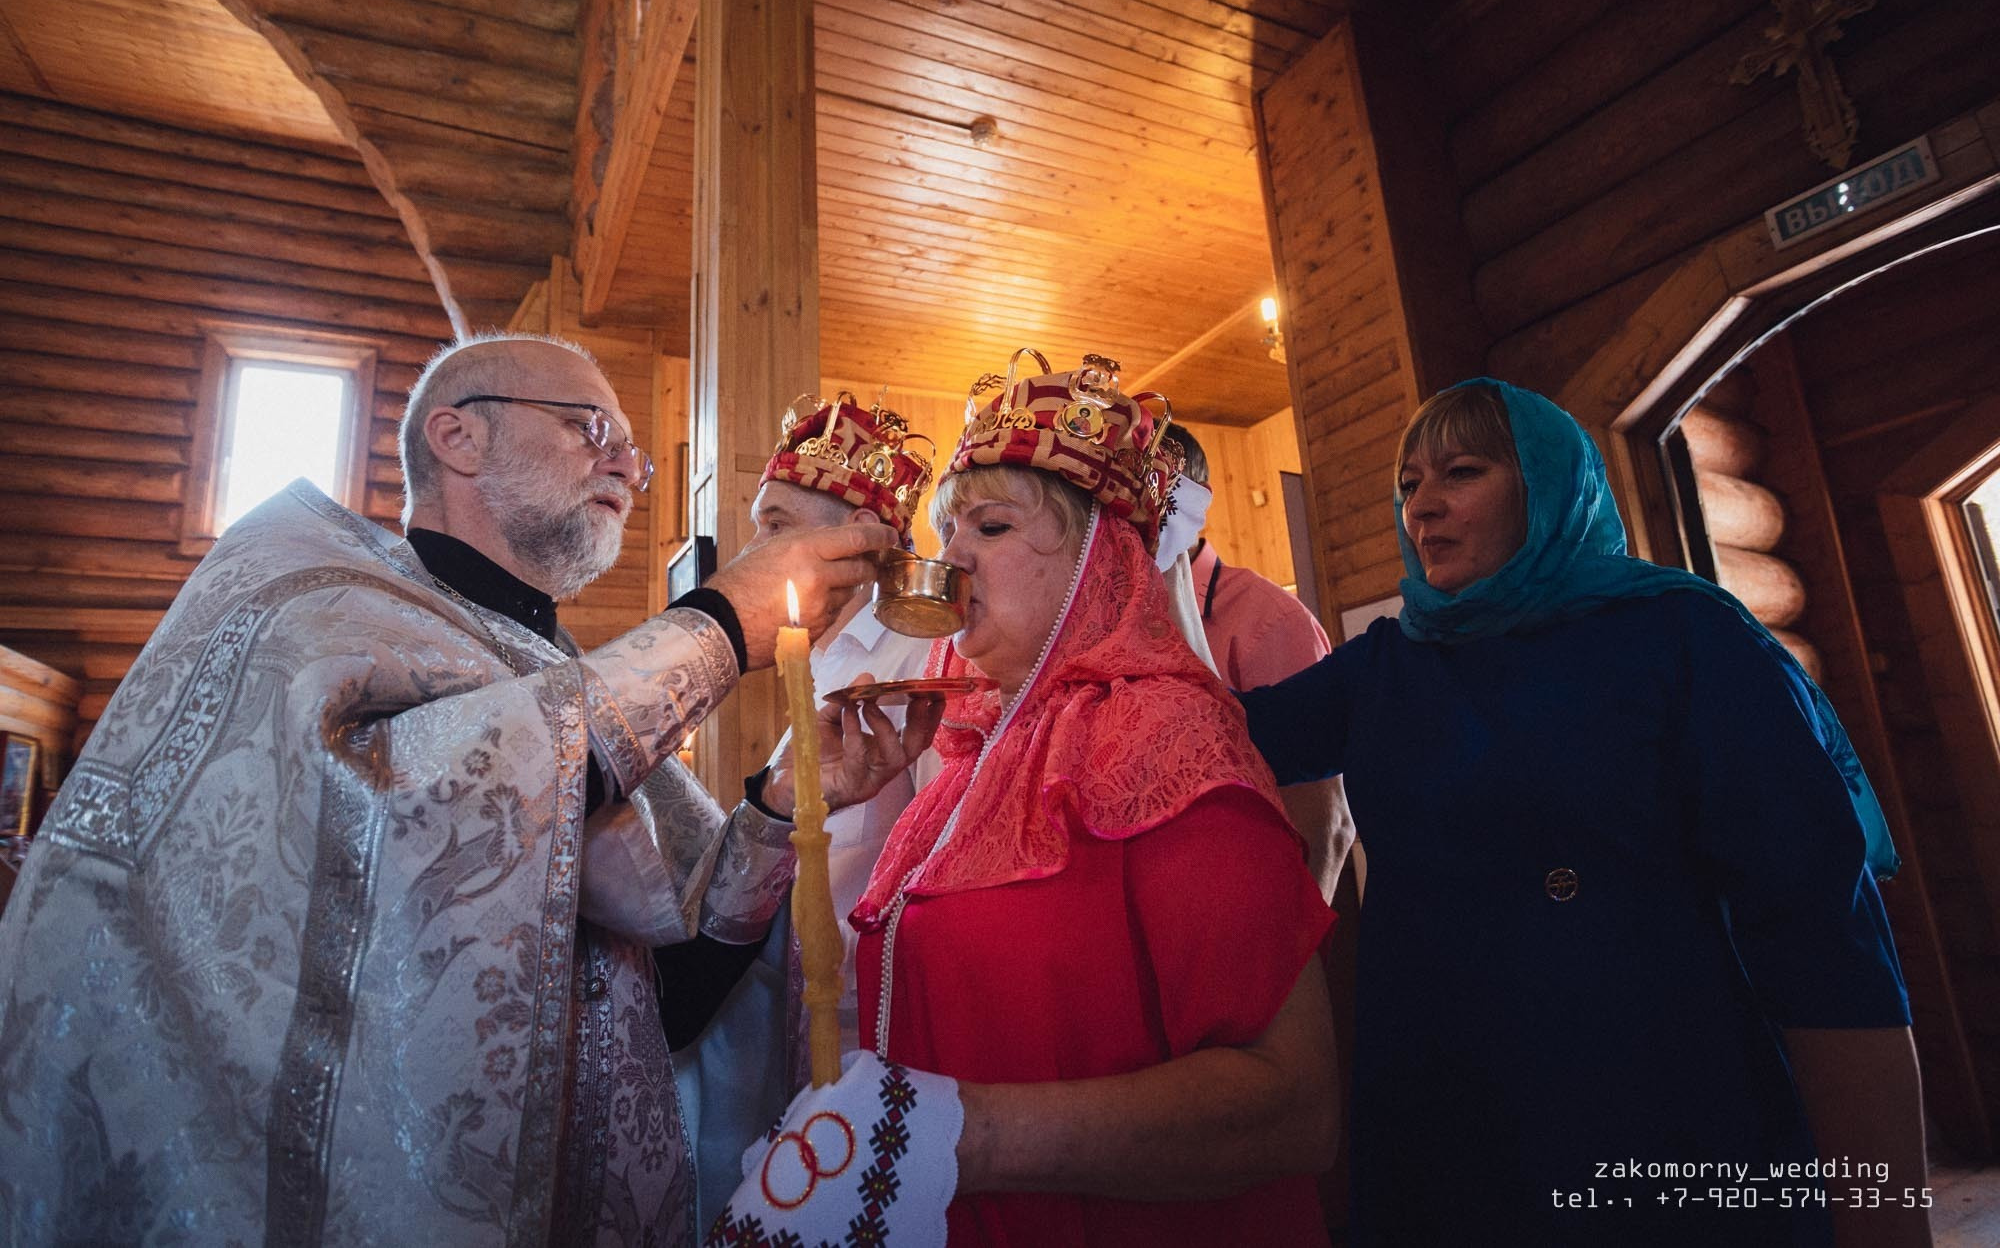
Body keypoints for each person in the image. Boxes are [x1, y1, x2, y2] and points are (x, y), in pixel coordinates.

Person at [0, 334, 930, 1247]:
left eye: (632, 454)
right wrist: (719, 625)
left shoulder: (561, 678)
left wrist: (773, 805)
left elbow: (670, 1002)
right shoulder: (306, 601)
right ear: (457, 436)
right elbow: (400, 843)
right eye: (589, 427)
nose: (625, 466)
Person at [1238, 378, 1928, 1247]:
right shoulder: (1391, 664)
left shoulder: (1683, 637)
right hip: (1447, 1109)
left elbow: (1826, 938)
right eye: (1409, 485)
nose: (1423, 508)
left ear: (1549, 487)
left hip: (1653, 1100)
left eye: (1461, 472)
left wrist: (1887, 1223)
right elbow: (1225, 741)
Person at [706, 350, 1339, 1247]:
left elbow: (1293, 1102)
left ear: (1099, 559)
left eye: (991, 528)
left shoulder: (1166, 738)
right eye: (951, 527)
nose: (952, 555)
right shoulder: (967, 749)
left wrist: (962, 1131)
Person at [667, 392, 943, 1230]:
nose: (753, 552)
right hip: (810, 1019)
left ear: (859, 539)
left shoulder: (921, 655)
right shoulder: (814, 659)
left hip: (886, 1030)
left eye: (776, 523)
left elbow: (938, 861)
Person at [1159, 422, 1350, 892]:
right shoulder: (1108, 615)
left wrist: (1293, 956)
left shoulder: (1270, 620)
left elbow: (1324, 822)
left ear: (1192, 502)